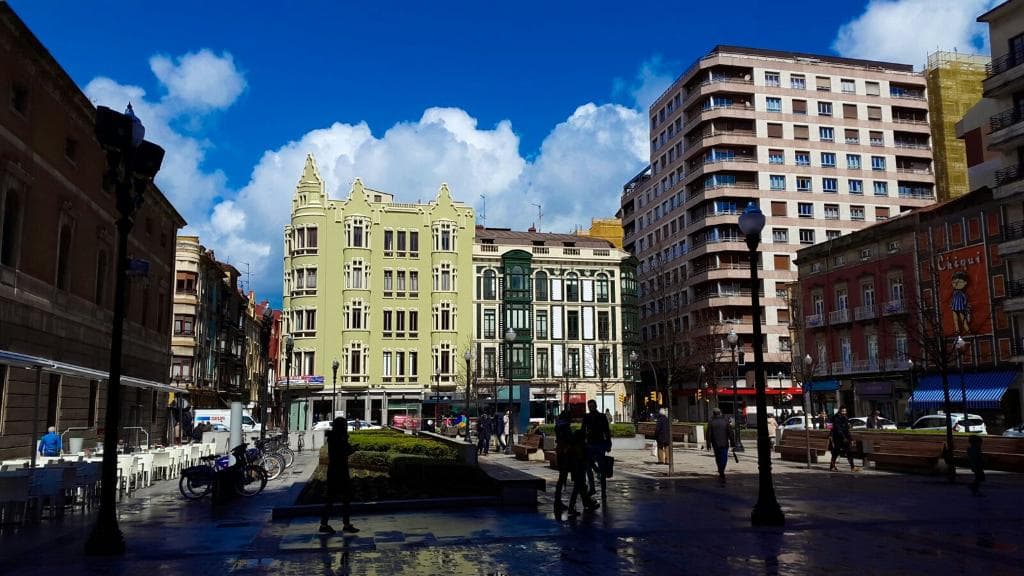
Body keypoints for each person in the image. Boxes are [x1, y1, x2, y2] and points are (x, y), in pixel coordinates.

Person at [320, 417, 359, 535]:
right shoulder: (339, 438)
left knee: (331, 499)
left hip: (334, 470)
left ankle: (325, 524)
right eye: (345, 425)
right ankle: (345, 524)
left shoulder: (333, 437)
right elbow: (344, 451)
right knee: (345, 498)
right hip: (340, 470)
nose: (346, 427)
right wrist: (352, 448)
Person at [581, 399, 612, 500]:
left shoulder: (601, 416)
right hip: (591, 444)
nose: (591, 408)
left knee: (600, 468)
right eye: (589, 406)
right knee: (588, 466)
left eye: (592, 406)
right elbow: (583, 429)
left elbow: (606, 430)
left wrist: (608, 443)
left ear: (596, 406)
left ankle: (603, 491)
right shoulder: (587, 417)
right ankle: (593, 486)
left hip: (599, 444)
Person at [567, 428, 598, 515]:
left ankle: (587, 504)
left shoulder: (574, 445)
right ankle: (572, 508)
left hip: (575, 470)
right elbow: (589, 459)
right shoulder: (583, 446)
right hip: (580, 470)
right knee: (577, 489)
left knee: (581, 488)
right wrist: (595, 468)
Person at [553, 410, 573, 512]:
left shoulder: (558, 425)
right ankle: (558, 502)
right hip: (565, 453)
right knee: (563, 477)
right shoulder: (565, 427)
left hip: (560, 451)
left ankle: (557, 500)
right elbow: (570, 439)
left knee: (562, 477)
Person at [708, 408, 734, 484]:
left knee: (718, 457)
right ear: (720, 413)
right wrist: (732, 442)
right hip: (724, 443)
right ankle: (722, 470)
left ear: (713, 413)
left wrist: (708, 443)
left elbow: (708, 434)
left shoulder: (711, 421)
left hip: (715, 443)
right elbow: (730, 432)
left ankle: (720, 470)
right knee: (724, 457)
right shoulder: (725, 421)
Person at [829, 406, 858, 471]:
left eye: (845, 411)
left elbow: (847, 430)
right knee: (836, 452)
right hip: (838, 438)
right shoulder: (835, 417)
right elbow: (838, 429)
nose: (844, 412)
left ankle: (852, 467)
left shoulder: (844, 417)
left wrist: (851, 438)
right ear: (839, 410)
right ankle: (832, 467)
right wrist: (844, 438)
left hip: (844, 437)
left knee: (849, 451)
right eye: (843, 411)